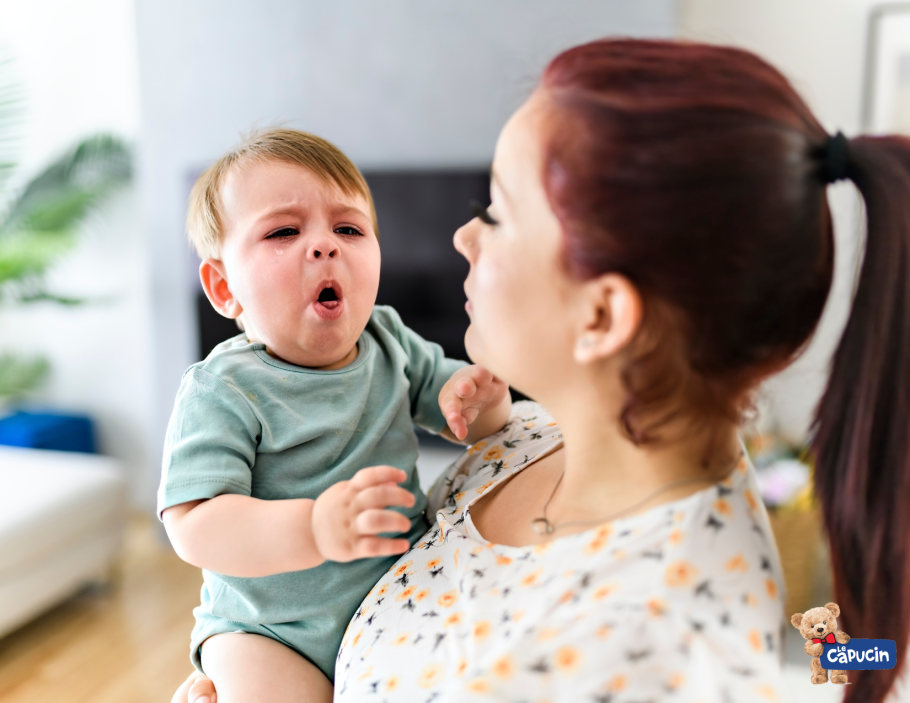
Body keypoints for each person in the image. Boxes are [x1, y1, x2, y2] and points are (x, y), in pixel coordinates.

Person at [176, 38, 910, 703]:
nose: (462, 234)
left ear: (601, 316)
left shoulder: (616, 653)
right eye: (283, 230)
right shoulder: (538, 437)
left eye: (496, 211)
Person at [159, 129, 512, 701]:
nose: (325, 246)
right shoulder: (222, 388)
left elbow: (477, 426)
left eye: (348, 228)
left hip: (396, 593)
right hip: (269, 632)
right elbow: (194, 526)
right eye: (283, 231)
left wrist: (483, 397)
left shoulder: (389, 337)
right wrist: (315, 528)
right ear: (224, 288)